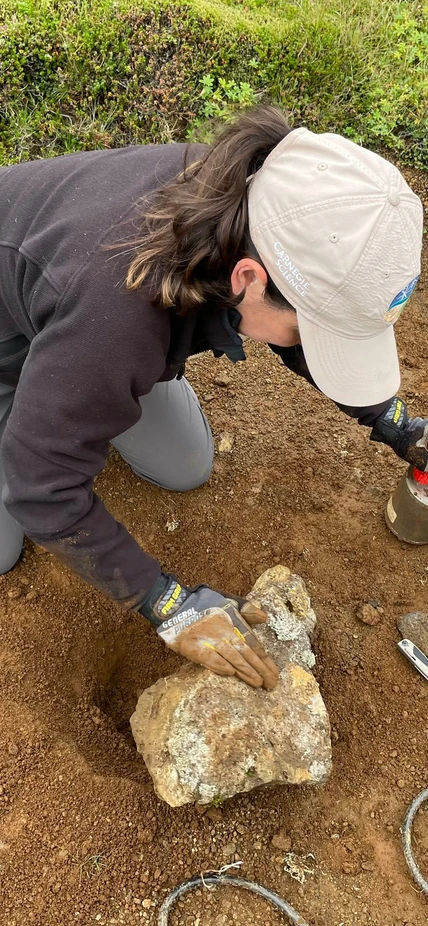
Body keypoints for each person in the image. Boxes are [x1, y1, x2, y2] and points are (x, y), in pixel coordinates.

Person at [0, 106, 426, 690]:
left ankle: (74, 399)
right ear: (248, 278)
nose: (310, 345)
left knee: (185, 465)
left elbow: (294, 323)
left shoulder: (256, 206)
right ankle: (52, 405)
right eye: (310, 331)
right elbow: (39, 488)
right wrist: (169, 605)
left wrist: (399, 424)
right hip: (15, 338)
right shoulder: (117, 319)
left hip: (83, 334)